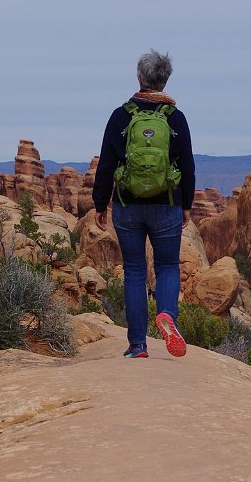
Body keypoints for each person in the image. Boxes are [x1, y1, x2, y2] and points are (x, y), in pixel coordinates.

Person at [93, 49, 195, 359]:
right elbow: (187, 165)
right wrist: (187, 203)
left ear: (139, 78)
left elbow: (106, 163)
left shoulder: (121, 115)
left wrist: (100, 204)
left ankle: (137, 345)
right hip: (166, 204)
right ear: (165, 80)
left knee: (135, 270)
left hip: (128, 205)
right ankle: (166, 314)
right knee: (167, 266)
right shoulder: (175, 118)